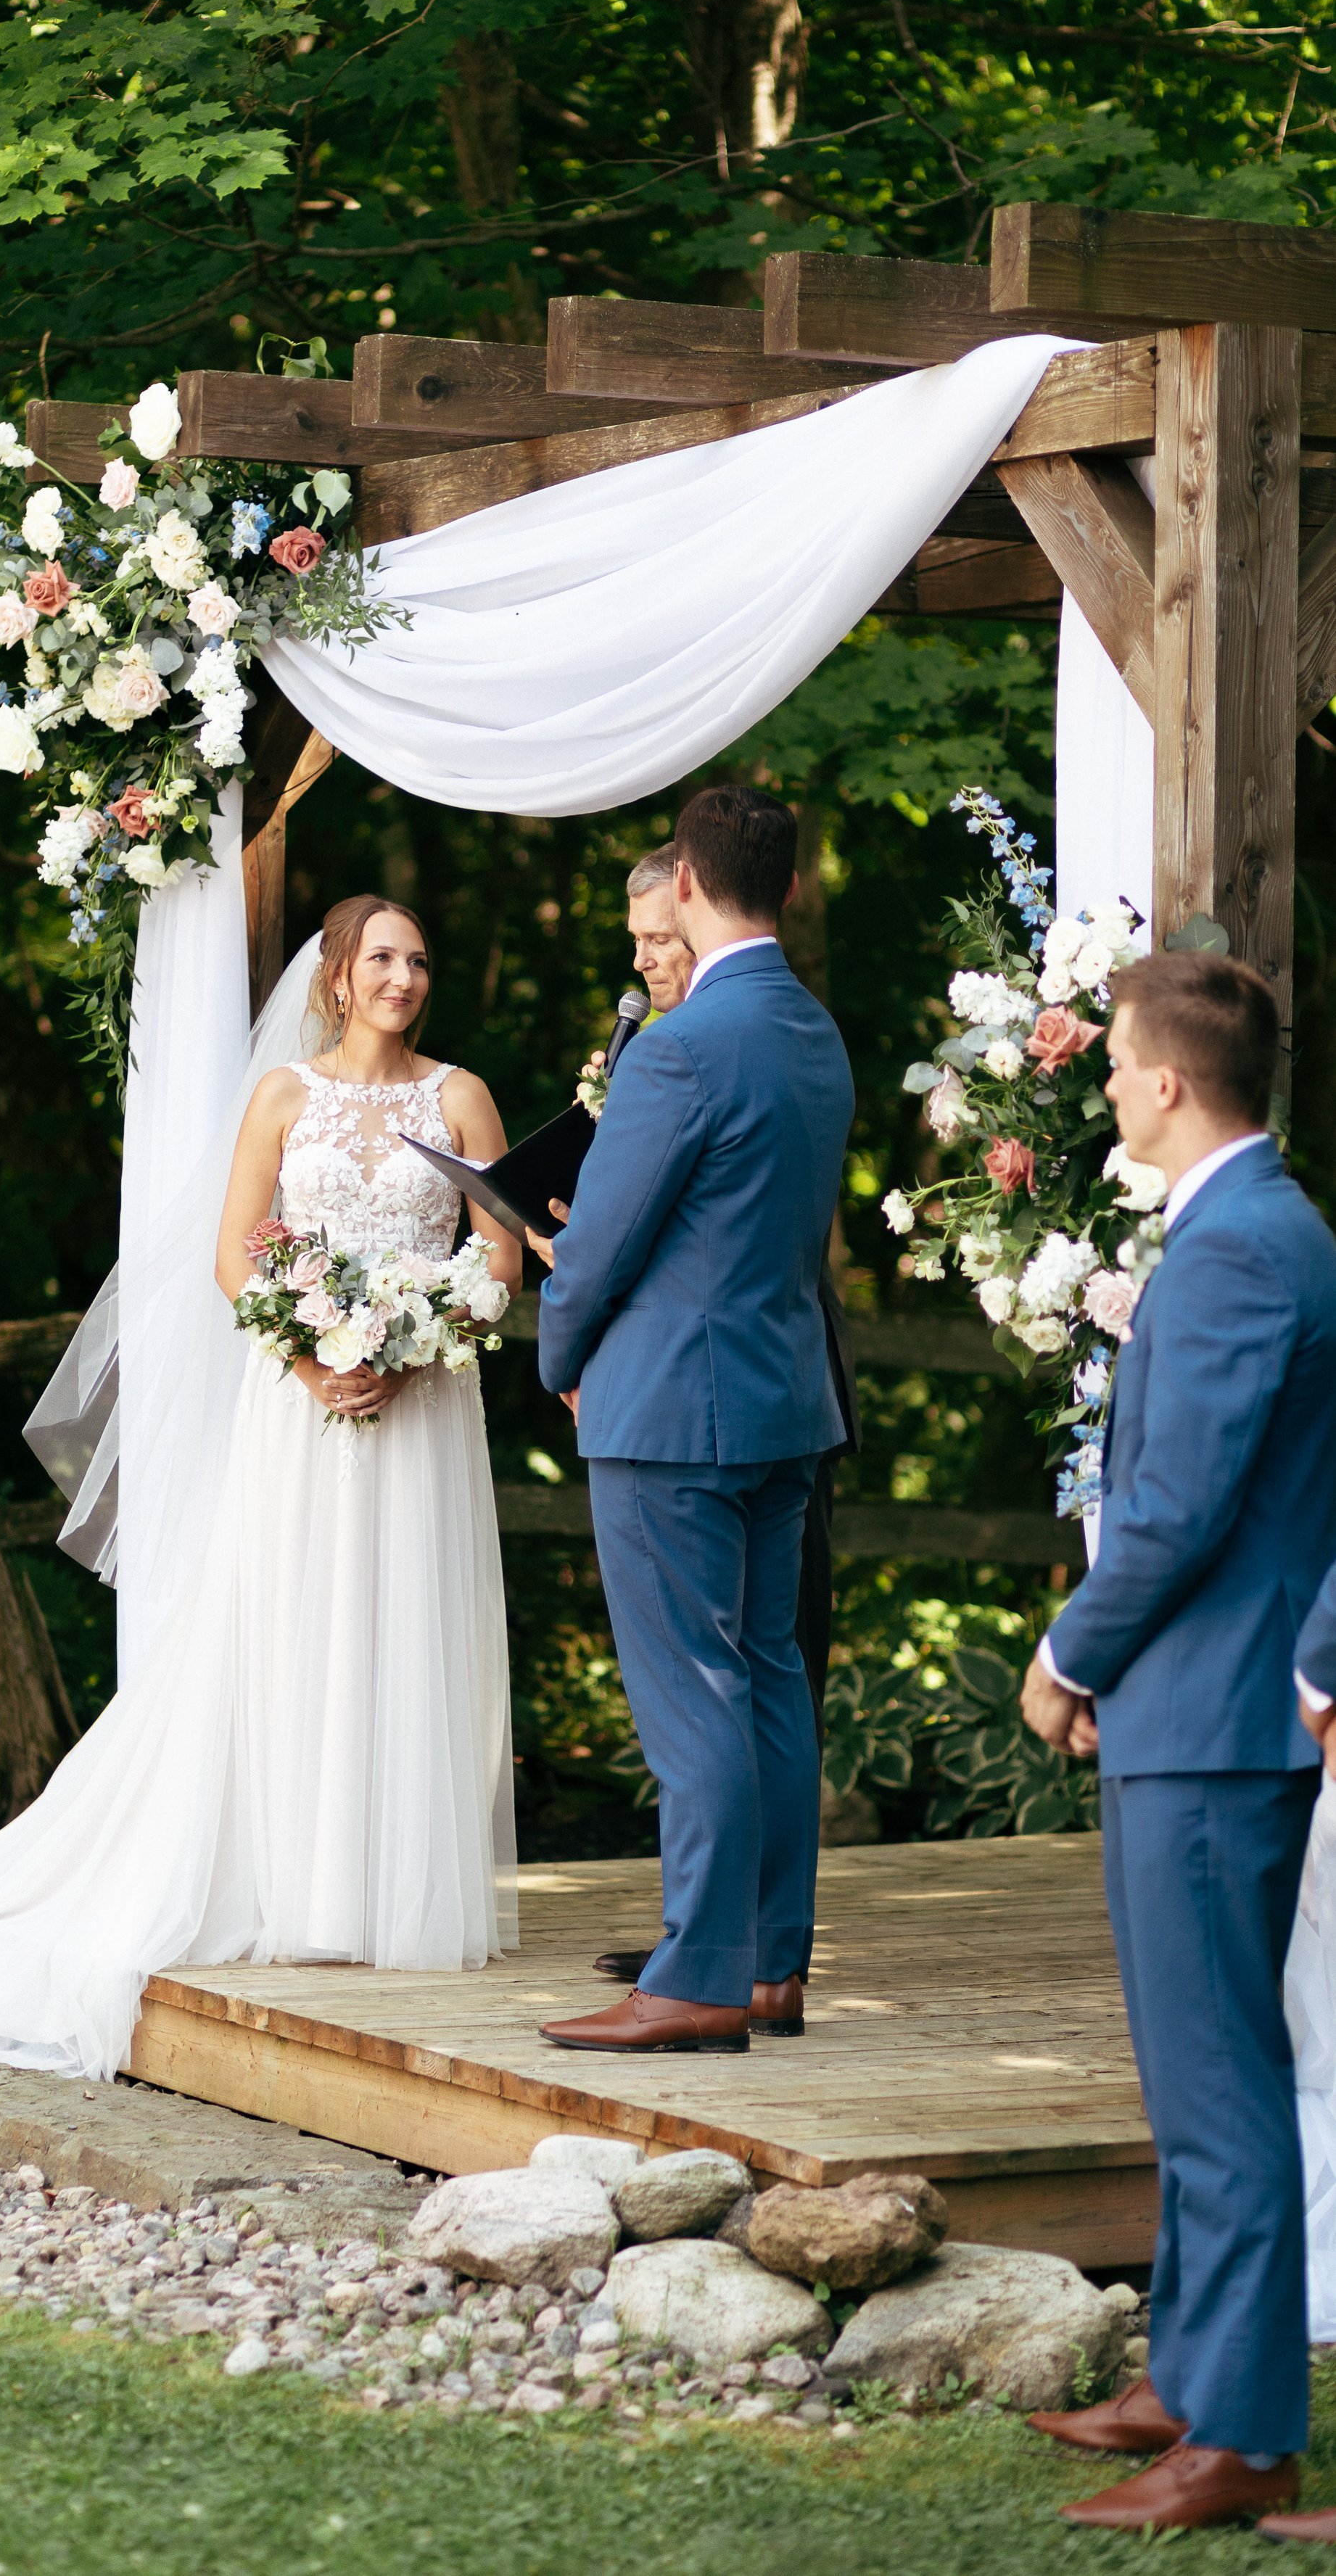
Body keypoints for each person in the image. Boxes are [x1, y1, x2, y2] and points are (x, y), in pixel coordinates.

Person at [0, 899, 522, 2080]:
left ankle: (394, 1894)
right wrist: (310, 1349)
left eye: (420, 959)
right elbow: (239, 1250)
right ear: (335, 979)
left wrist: (408, 1343)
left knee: (406, 1625)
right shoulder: (283, 1096)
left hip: (422, 1407)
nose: (406, 975)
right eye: (382, 958)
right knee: (294, 1627)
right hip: (299, 1407)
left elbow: (497, 1251)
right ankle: (301, 1889)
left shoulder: (461, 1097)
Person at [1017, 952, 1336, 2537]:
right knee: (1190, 2074)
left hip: (1210, 1724)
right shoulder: (1249, 1227)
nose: (1106, 1089)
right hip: (1198, 1711)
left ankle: (1241, 2437)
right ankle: (1187, 2374)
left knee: (1218, 2087)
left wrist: (1069, 1653)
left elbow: (1175, 1507)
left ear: (1162, 1081)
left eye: (1117, 1066)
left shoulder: (1238, 1247)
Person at [534, 788, 854, 2055]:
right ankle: (773, 1963)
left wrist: (563, 1353)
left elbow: (602, 1242)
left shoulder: (680, 1045)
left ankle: (699, 1976)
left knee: (694, 1695)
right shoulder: (811, 1030)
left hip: (668, 1408)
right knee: (770, 1676)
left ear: (687, 887)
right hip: (782, 1397)